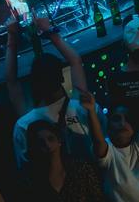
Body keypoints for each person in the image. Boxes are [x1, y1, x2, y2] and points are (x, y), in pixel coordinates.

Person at [9, 18, 97, 169]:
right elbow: (75, 61)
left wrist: (11, 37)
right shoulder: (82, 106)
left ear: (34, 83)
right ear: (62, 77)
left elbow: (11, 82)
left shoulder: (24, 124)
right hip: (91, 175)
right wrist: (49, 31)